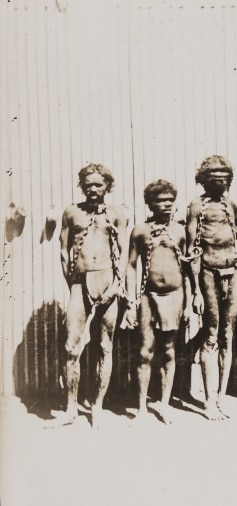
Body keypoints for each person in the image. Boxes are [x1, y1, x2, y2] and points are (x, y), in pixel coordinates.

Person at [57, 163, 129, 428]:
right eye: (89, 185)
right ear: (82, 186)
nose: (94, 189)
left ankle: (97, 407)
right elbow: (64, 252)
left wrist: (117, 285)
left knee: (105, 346)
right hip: (80, 282)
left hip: (108, 281)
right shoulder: (72, 213)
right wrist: (73, 283)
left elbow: (123, 253)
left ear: (107, 186)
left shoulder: (117, 214)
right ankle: (70, 408)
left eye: (99, 184)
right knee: (71, 346)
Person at [186, 156, 237, 420]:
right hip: (208, 275)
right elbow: (191, 250)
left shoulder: (230, 204)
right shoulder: (196, 206)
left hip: (232, 274)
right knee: (211, 334)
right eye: (215, 177)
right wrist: (196, 291)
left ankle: (222, 396)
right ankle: (209, 401)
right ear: (205, 178)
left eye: (225, 177)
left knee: (227, 334)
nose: (221, 181)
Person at [124, 180, 192, 424]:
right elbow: (131, 267)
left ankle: (163, 404)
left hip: (175, 297)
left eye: (169, 201)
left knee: (169, 351)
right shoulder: (141, 231)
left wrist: (190, 302)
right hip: (148, 296)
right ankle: (142, 407)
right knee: (144, 352)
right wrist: (131, 302)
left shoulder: (181, 231)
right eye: (159, 201)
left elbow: (188, 269)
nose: (165, 205)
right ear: (150, 203)